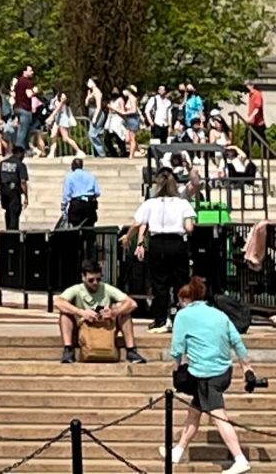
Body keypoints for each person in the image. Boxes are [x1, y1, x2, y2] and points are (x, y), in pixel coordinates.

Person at [165, 277, 257, 474]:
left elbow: (177, 347)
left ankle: (239, 458)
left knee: (218, 414)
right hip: (224, 371)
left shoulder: (183, 315)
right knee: (195, 411)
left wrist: (176, 368)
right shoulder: (219, 315)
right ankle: (178, 450)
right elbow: (237, 341)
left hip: (205, 374)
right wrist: (247, 368)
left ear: (186, 299)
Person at [132, 170, 196, 332]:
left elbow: (138, 222)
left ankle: (160, 319)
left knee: (159, 284)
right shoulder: (182, 204)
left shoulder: (150, 203)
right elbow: (189, 227)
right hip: (177, 243)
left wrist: (133, 239)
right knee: (180, 282)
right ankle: (183, 319)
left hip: (157, 243)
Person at [54, 260, 147, 364]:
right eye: (91, 280)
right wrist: (81, 312)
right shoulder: (76, 289)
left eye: (98, 279)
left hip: (105, 326)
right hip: (83, 326)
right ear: (83, 277)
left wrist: (113, 312)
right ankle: (68, 349)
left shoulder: (106, 288)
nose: (95, 283)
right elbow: (58, 302)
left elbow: (132, 303)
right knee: (64, 315)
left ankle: (131, 350)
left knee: (125, 313)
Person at [0, 146, 29, 230]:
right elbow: (23, 182)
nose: (23, 157)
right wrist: (26, 196)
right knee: (14, 212)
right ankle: (13, 234)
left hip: (3, 190)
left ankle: (8, 230)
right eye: (23, 155)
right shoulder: (20, 165)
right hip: (14, 191)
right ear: (19, 154)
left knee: (8, 211)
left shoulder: (3, 163)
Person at [60, 157, 100, 228]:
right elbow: (97, 192)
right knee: (89, 228)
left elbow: (67, 194)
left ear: (72, 166)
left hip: (76, 204)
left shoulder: (69, 176)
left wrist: (63, 207)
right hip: (89, 204)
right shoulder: (90, 175)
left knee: (76, 228)